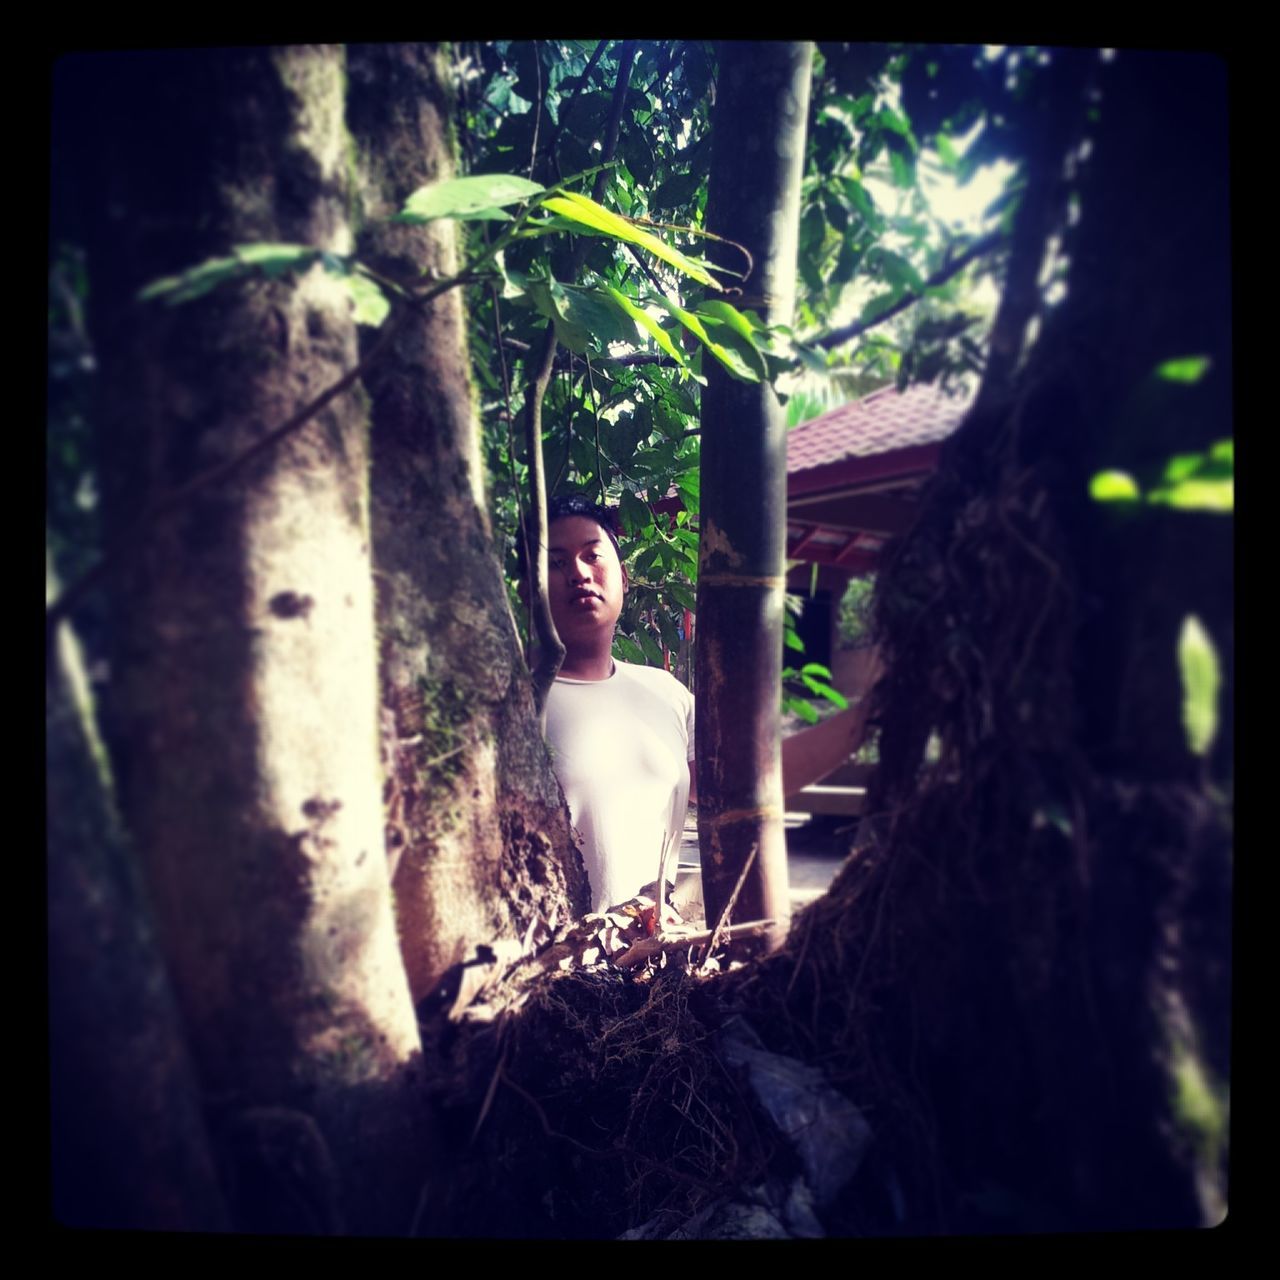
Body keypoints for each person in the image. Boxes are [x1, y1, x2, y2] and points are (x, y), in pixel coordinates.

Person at [527, 495, 880, 916]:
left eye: (592, 555)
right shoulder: (515, 705)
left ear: (623, 577)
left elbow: (748, 781)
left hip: (648, 971)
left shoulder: (664, 693)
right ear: (532, 588)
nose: (579, 573)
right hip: (544, 969)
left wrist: (869, 713)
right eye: (557, 562)